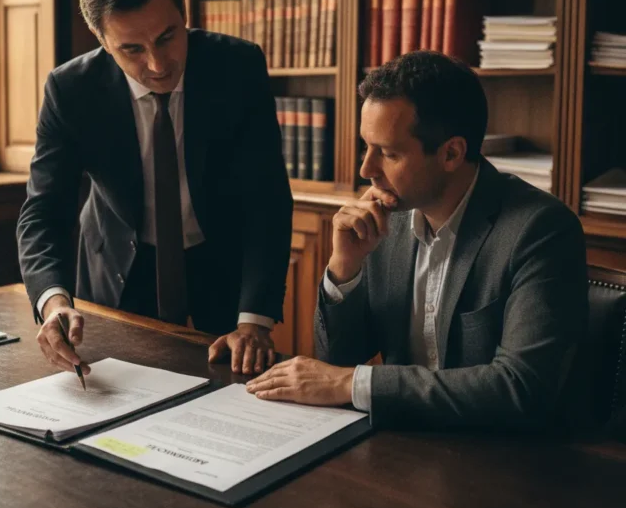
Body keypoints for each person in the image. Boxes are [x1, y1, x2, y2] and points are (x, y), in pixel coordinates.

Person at [247, 50, 588, 429]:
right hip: (401, 444)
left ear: (452, 153)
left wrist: (354, 382)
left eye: (388, 153)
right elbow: (336, 364)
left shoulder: (540, 231)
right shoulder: (385, 216)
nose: (366, 169)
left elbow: (521, 388)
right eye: (366, 146)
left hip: (503, 461)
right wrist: (344, 270)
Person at [17, 0, 292, 376]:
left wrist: (254, 320)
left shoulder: (238, 68)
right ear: (103, 43)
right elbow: (43, 212)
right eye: (132, 49)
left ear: (185, 16)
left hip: (221, 273)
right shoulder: (71, 91)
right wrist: (54, 303)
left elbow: (267, 199)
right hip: (116, 276)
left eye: (167, 36)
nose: (158, 64)